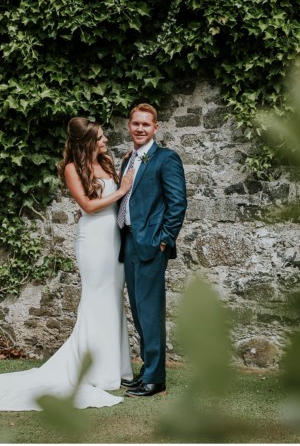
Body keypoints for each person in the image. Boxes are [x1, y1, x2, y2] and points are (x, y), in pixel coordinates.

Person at [0, 117, 135, 410]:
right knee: (96, 299)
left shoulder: (108, 162)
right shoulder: (73, 169)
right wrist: (121, 190)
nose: (105, 141)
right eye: (100, 138)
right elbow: (87, 206)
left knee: (113, 298)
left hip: (113, 238)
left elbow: (116, 189)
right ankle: (97, 371)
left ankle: (116, 368)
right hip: (94, 240)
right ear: (86, 142)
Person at [117, 103, 187, 397]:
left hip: (151, 246)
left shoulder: (166, 159)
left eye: (146, 124)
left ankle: (155, 379)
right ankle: (146, 370)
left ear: (156, 128)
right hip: (129, 242)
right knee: (138, 309)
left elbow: (177, 203)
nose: (141, 129)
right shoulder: (127, 161)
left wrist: (164, 240)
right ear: (129, 126)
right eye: (136, 124)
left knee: (151, 312)